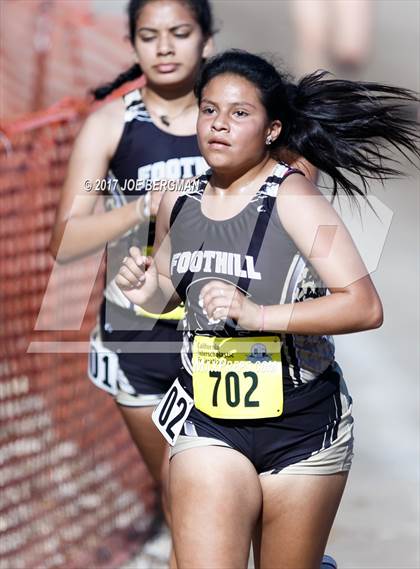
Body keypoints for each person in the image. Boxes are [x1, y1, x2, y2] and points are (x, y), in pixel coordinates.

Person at [116, 50, 419, 568]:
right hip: (208, 421)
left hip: (302, 429)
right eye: (209, 111)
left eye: (239, 114)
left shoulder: (295, 199)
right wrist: (144, 289)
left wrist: (259, 316)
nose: (220, 126)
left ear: (272, 128)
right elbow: (169, 288)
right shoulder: (179, 202)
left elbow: (364, 306)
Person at [49, 0, 214, 563]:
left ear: (207, 40)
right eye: (149, 35)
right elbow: (67, 241)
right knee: (184, 502)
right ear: (134, 44)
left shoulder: (236, 116)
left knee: (228, 499)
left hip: (229, 341)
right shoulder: (112, 126)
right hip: (141, 340)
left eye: (180, 32)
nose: (164, 47)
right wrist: (144, 207)